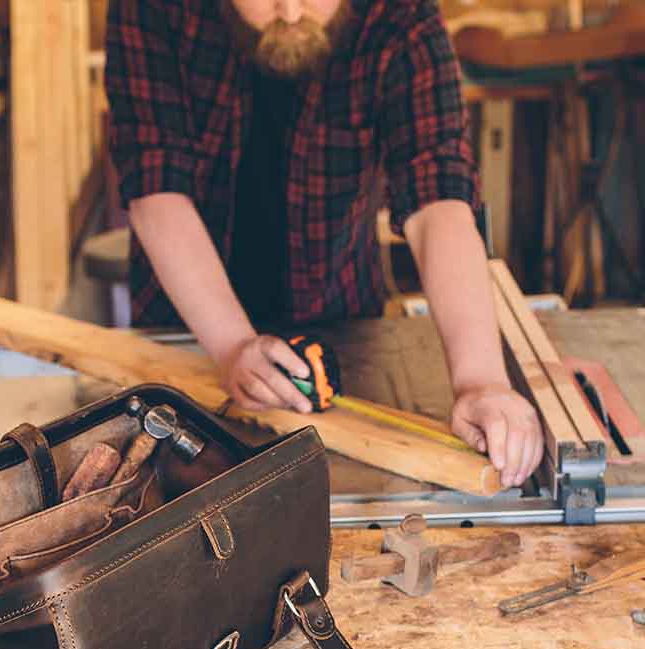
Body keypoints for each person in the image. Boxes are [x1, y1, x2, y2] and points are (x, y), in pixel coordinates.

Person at [106, 0, 544, 488]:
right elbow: (155, 184)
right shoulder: (151, 8)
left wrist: (481, 380)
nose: (290, 13)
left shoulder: (400, 16)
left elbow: (438, 197)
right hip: (184, 337)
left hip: (341, 327)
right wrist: (231, 346)